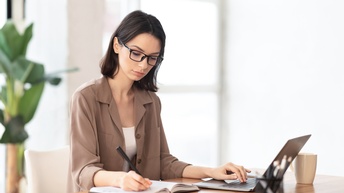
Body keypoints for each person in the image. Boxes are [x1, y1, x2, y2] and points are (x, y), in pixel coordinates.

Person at [68, 10, 251, 192]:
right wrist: (121, 179)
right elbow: (84, 170)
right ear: (116, 45)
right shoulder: (86, 98)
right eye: (136, 53)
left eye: (152, 58)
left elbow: (163, 160)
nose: (143, 65)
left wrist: (211, 171)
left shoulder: (150, 101)